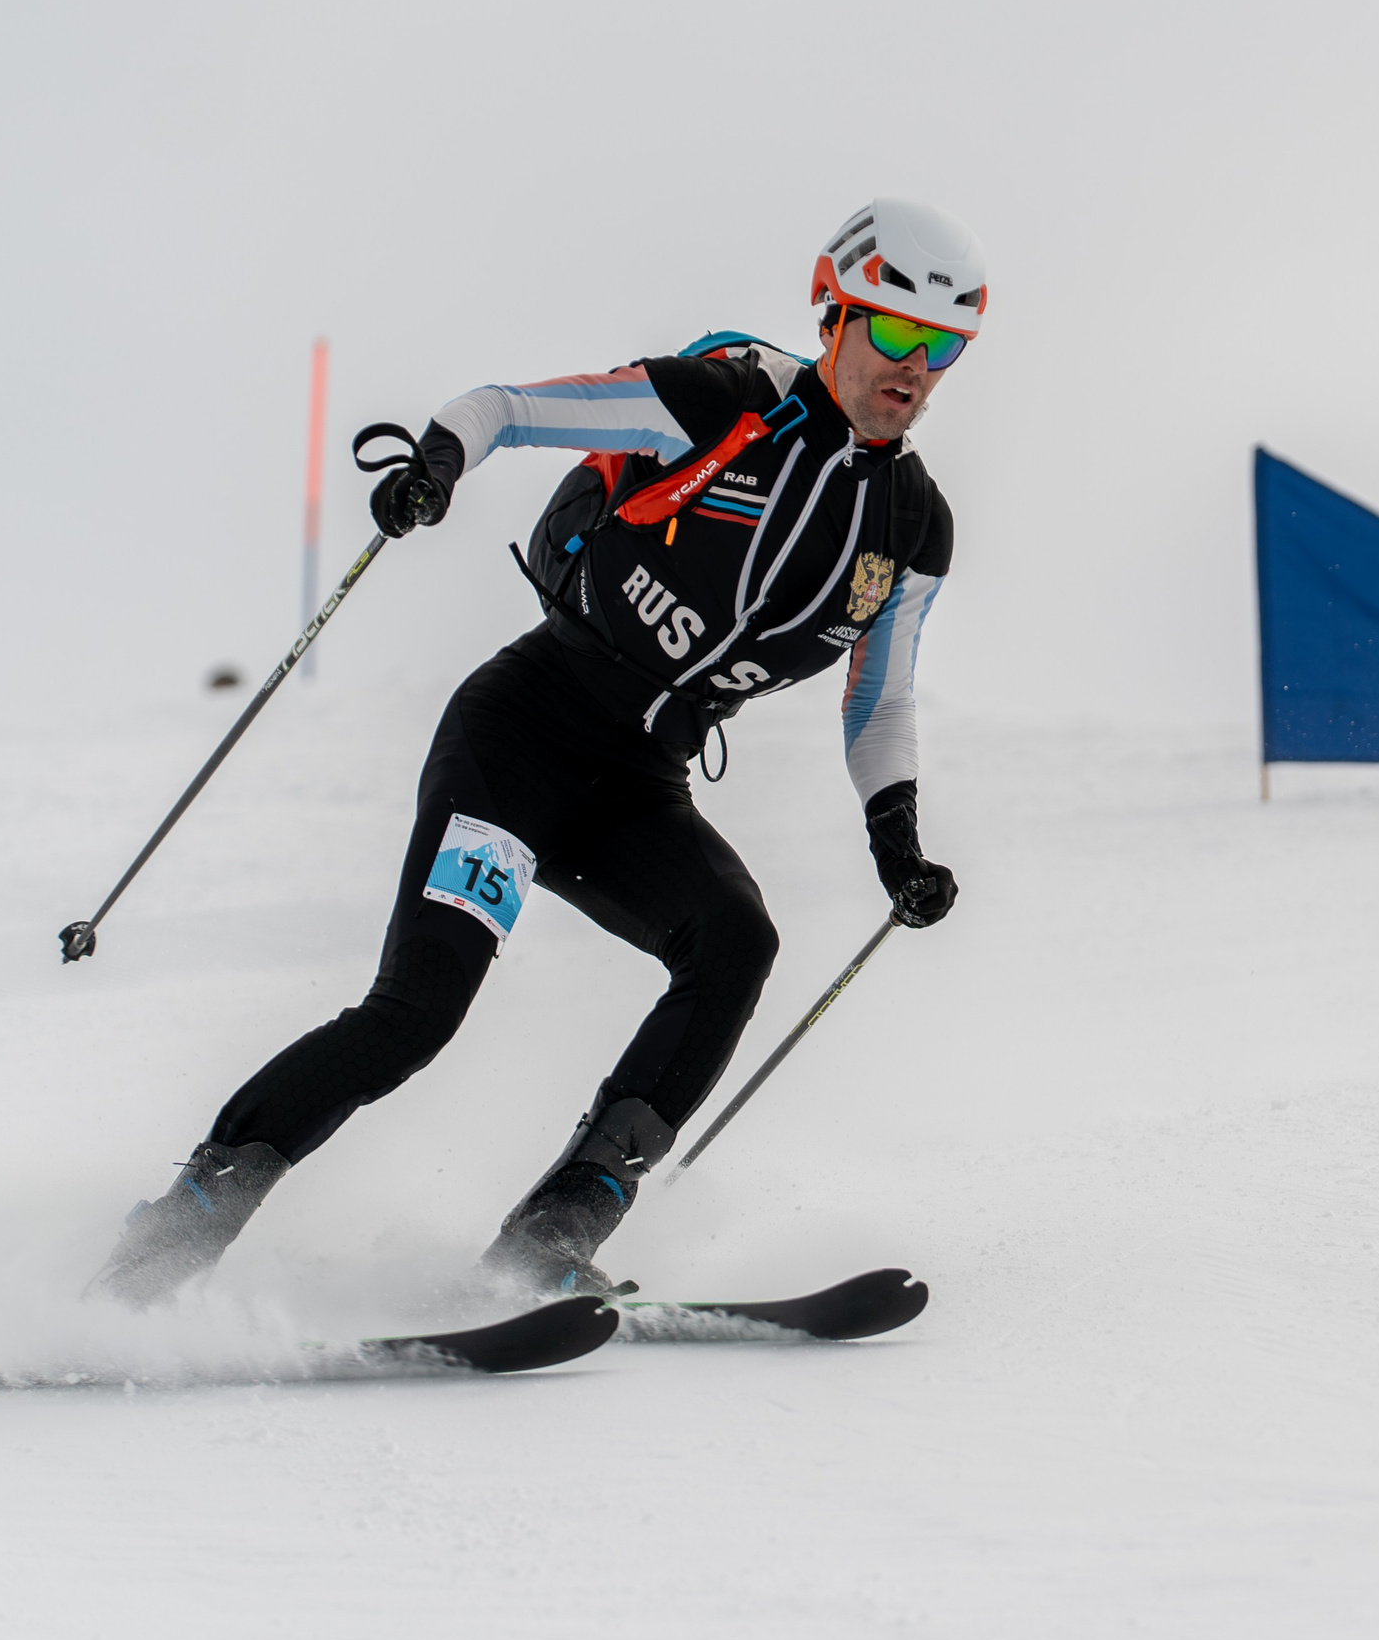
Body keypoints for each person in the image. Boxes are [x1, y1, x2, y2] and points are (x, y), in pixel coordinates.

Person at [91, 198, 983, 1305]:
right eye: (896, 333)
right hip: (520, 740)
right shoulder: (715, 405)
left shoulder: (912, 526)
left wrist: (894, 837)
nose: (917, 367)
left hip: (637, 787)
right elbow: (505, 408)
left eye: (943, 348)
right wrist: (436, 466)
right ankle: (176, 1231)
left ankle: (554, 1233)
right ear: (836, 314)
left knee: (734, 942)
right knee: (417, 1013)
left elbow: (879, 702)